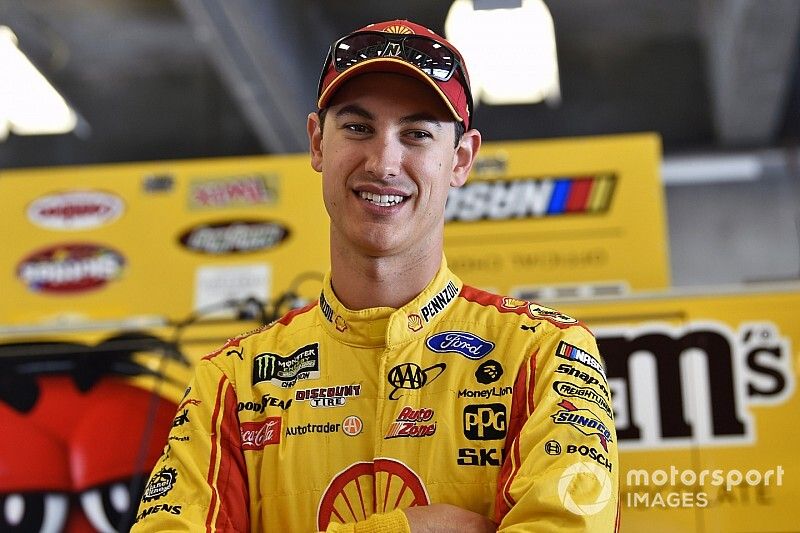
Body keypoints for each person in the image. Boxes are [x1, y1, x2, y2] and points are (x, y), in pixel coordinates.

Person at [131, 19, 619, 533]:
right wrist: (409, 529)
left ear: (460, 159)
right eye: (358, 128)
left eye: (417, 134)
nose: (384, 161)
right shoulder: (230, 383)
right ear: (318, 143)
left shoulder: (545, 354)